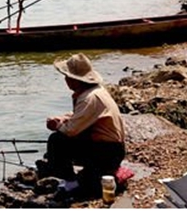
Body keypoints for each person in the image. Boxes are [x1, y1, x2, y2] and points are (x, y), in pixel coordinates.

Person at [40, 53, 126, 196]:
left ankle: (67, 181)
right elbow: (80, 117)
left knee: (57, 140)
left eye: (67, 77)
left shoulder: (89, 98)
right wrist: (63, 118)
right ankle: (74, 175)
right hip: (112, 149)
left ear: (74, 79)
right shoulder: (95, 91)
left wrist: (57, 125)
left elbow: (71, 131)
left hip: (108, 153)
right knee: (60, 142)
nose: (65, 80)